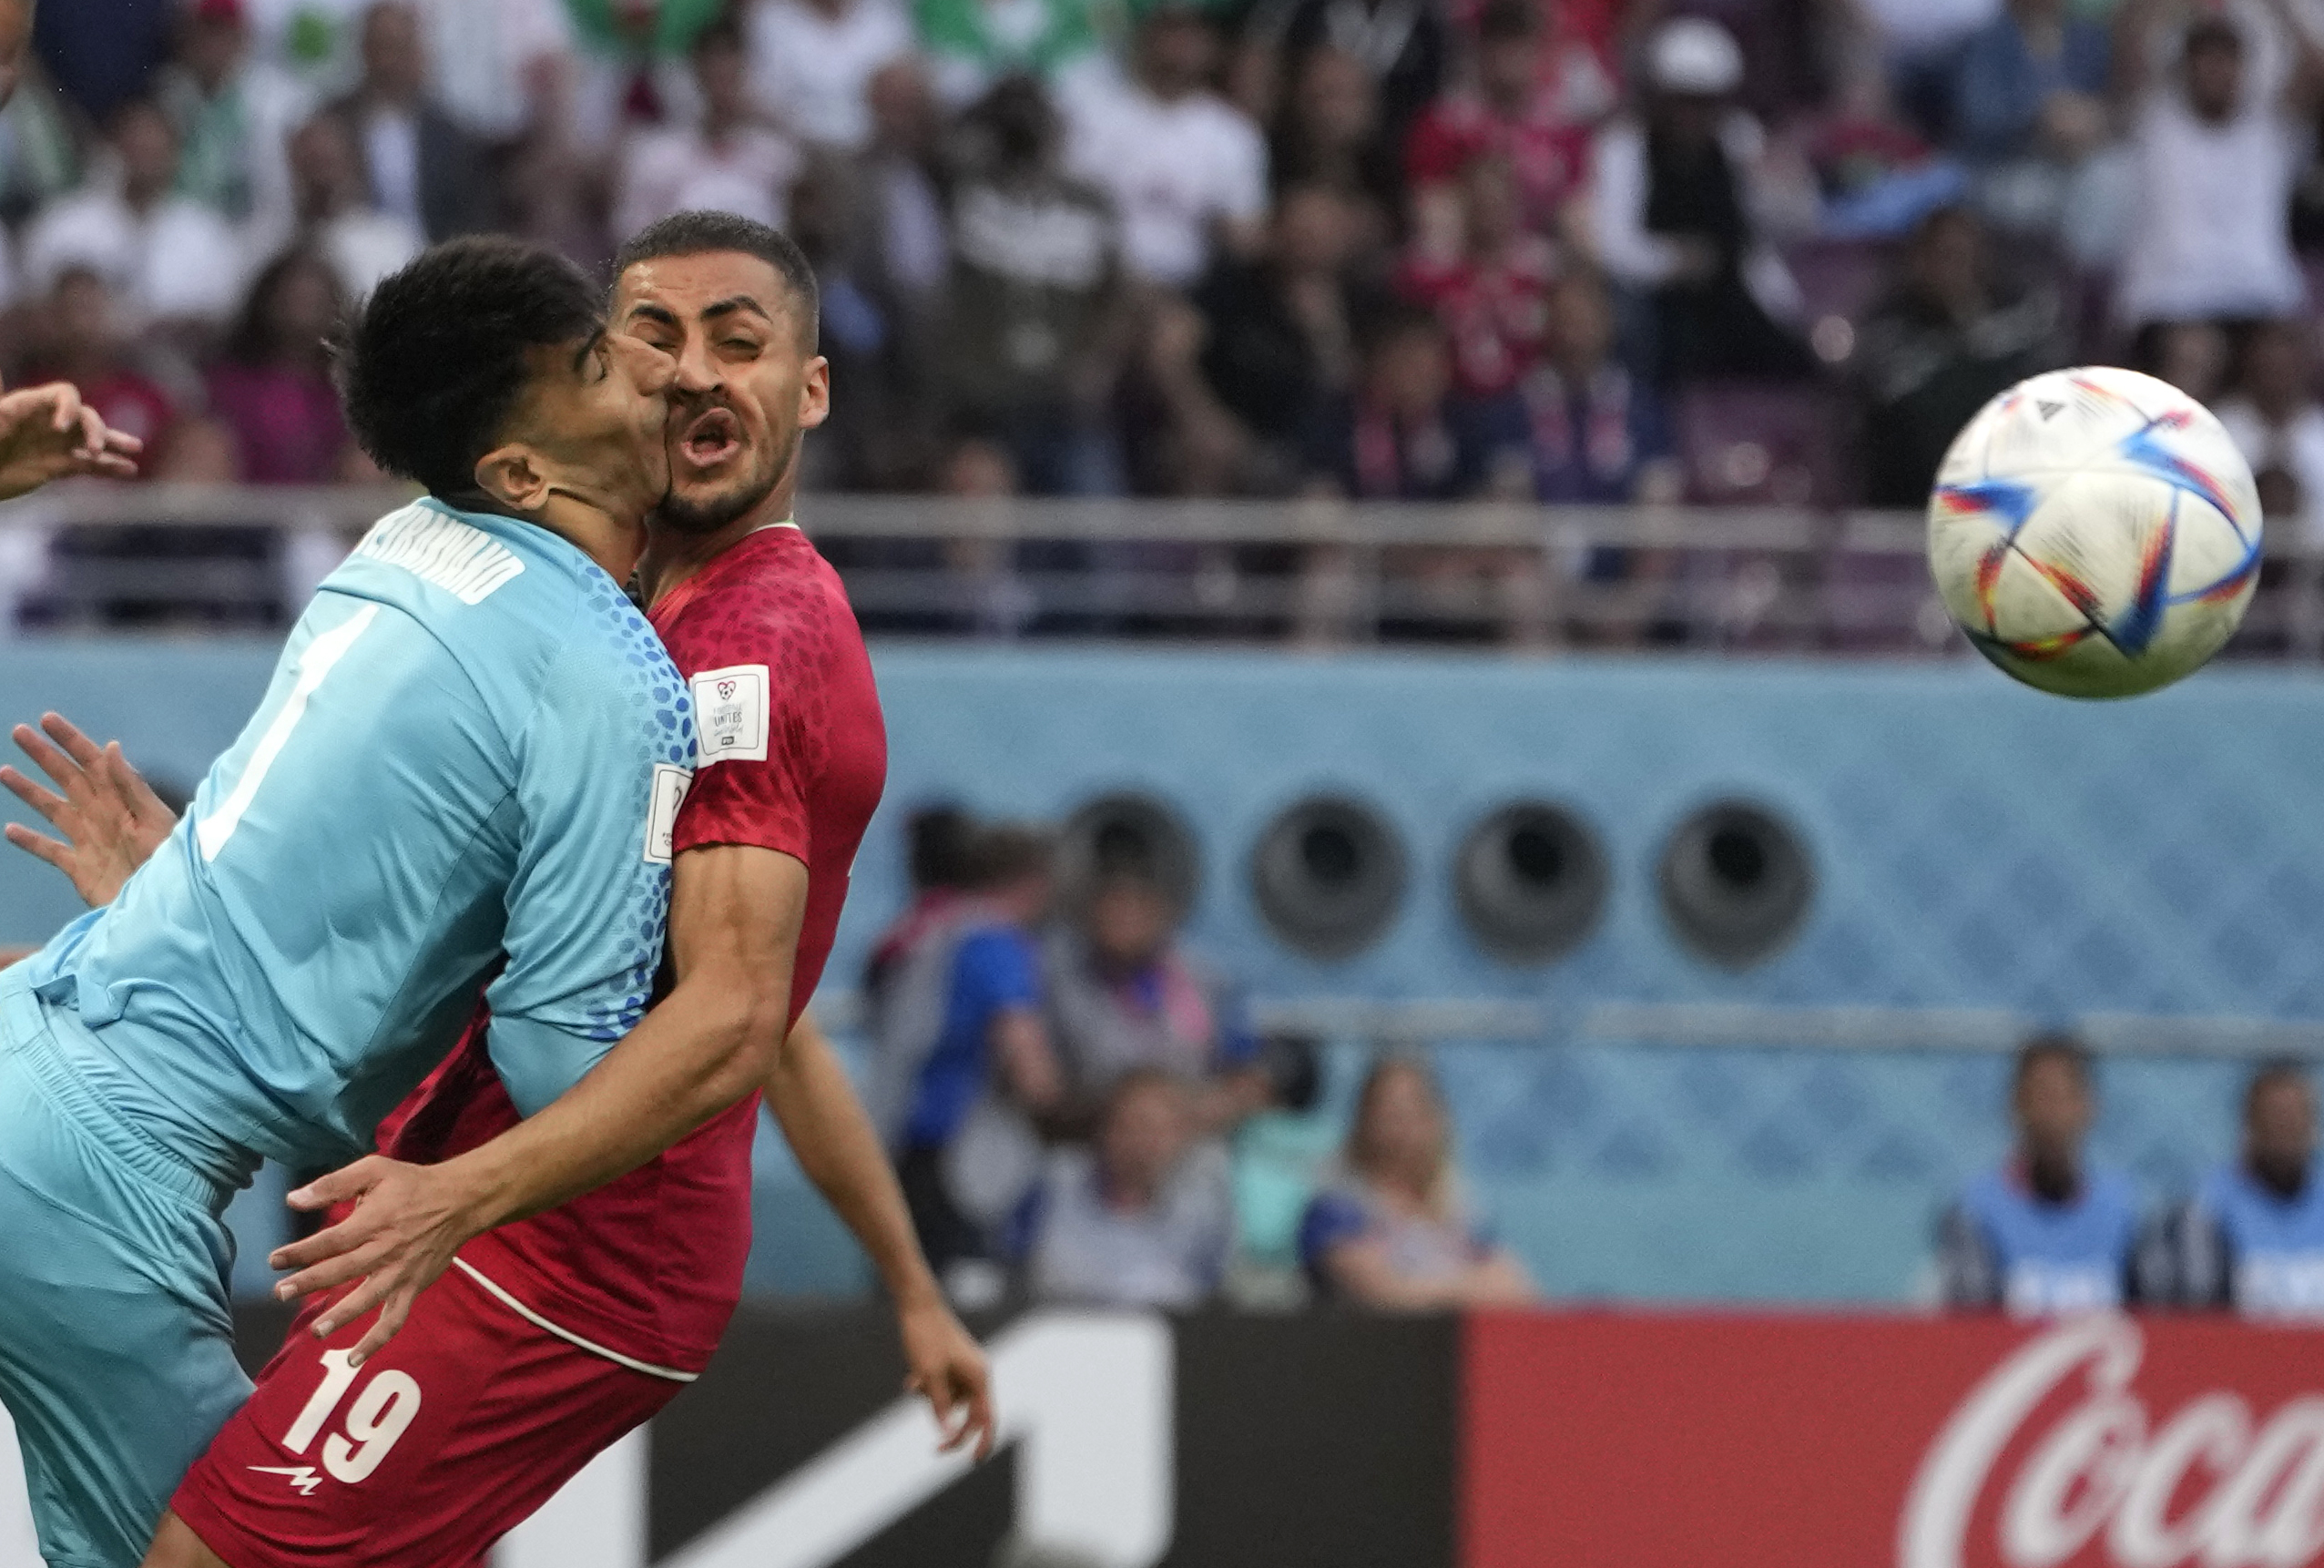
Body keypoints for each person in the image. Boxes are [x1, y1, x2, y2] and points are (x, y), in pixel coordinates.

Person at [11, 219, 994, 1568]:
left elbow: (732, 1015)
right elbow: (724, 1003)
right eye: (638, 339)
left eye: (739, 342)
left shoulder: (690, 640)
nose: (680, 375)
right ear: (527, 455)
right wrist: (197, 903)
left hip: (551, 1233)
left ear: (811, 388)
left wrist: (455, 1182)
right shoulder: (599, 624)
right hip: (388, 1191)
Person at [874, 823, 1068, 1290]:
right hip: (956, 1152)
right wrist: (1070, 1116)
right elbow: (1023, 1048)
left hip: (899, 1133)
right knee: (967, 1287)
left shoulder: (933, 932)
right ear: (1034, 882)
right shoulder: (996, 943)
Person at [1589, 16, 1816, 385]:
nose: (1691, 115)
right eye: (1681, 101)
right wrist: (1673, 260)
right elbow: (1613, 245)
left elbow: (1796, 225)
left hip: (1734, 295)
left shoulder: (1741, 140)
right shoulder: (1624, 147)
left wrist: (1784, 186)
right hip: (1659, 307)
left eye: (1704, 102)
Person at [936, 76, 1128, 497]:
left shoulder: (1090, 205)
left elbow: (1116, 296)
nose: (1027, 140)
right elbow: (933, 140)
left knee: (1095, 521)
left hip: (1066, 403)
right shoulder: (964, 192)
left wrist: (1099, 361)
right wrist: (988, 121)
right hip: (981, 403)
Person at [2114, 4, 2319, 338]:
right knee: (2194, 351)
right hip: (2171, 298)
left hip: (2260, 292)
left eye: (2227, 61)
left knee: (2286, 355)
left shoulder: (2271, 126)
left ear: (2244, 68)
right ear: (2185, 68)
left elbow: (2314, 68)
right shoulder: (2155, 120)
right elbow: (2129, 45)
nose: (2216, 71)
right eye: (2205, 60)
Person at [1852, 203, 2060, 507]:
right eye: (1944, 256)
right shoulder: (1889, 325)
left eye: (1967, 257)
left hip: (2009, 493)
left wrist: (1970, 325)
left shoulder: (2020, 315)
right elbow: (1907, 407)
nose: (1957, 269)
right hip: (1913, 497)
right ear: (1919, 260)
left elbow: (2045, 399)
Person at [1045, 866, 1268, 1136]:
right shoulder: (1064, 987)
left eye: (1136, 911)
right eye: (1113, 911)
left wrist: (1194, 1114)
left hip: (1192, 1147)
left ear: (1161, 917)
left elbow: (1251, 1079)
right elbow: (1043, 1088)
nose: (1124, 920)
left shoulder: (1205, 983)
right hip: (1092, 1144)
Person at [1300, 1055, 1536, 1308]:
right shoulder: (1337, 1210)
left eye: (1417, 1111)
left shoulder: (1459, 1212)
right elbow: (1384, 1294)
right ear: (1364, 1121)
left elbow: (1514, 1284)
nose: (1405, 1127)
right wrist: (1472, 1287)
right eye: (1391, 1113)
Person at [1063, 3, 1269, 290]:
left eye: (1198, 31)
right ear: (1147, 31)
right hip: (1089, 279)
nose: (1185, 43)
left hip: (1184, 290)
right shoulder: (1090, 111)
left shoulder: (1233, 135)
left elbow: (1247, 239)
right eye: (1173, 28)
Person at [1937, 1033, 2145, 1314]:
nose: (2053, 1114)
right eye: (2041, 1097)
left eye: (2065, 1097)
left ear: (2090, 1106)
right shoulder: (1976, 1213)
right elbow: (1969, 1325)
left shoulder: (2122, 1210)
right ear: (2016, 1107)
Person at [22, 97, 249, 331]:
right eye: (135, 144)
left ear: (175, 152)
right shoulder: (64, 223)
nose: (145, 155)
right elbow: (39, 308)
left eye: (155, 146)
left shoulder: (206, 231)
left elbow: (223, 314)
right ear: (110, 147)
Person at [1014, 1069, 1233, 1308]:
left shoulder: (1204, 1210)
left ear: (1183, 1136)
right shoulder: (1054, 1188)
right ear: (1105, 1128)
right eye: (1133, 1125)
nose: (1143, 1142)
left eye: (1159, 1130)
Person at [612, 15, 800, 241]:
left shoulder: (778, 158)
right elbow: (632, 237)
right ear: (695, 75)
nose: (721, 89)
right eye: (714, 75)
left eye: (729, 76)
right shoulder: (657, 159)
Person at [2160, 1061, 2324, 1318]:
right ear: (2249, 1124)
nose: (2285, 1128)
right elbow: (2197, 1309)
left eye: (2295, 1116)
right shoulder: (2209, 1209)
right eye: (2274, 1116)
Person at [328, 0, 497, 242]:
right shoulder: (334, 124)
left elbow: (471, 219)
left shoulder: (453, 138)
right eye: (379, 47)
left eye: (396, 48)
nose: (387, 61)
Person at [204, 249, 354, 484]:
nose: (303, 313)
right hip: (242, 508)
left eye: (315, 302)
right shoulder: (228, 383)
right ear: (268, 302)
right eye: (295, 300)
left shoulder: (349, 389)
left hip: (330, 511)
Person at [747, 0, 916, 150]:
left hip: (886, 140)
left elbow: (905, 73)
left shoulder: (882, 9)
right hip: (809, 146)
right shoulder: (772, 18)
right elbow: (767, 98)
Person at [2216, 319, 2324, 544]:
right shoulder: (2218, 431)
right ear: (2250, 363)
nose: (2276, 372)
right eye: (2268, 365)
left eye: (2285, 365)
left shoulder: (2319, 431)